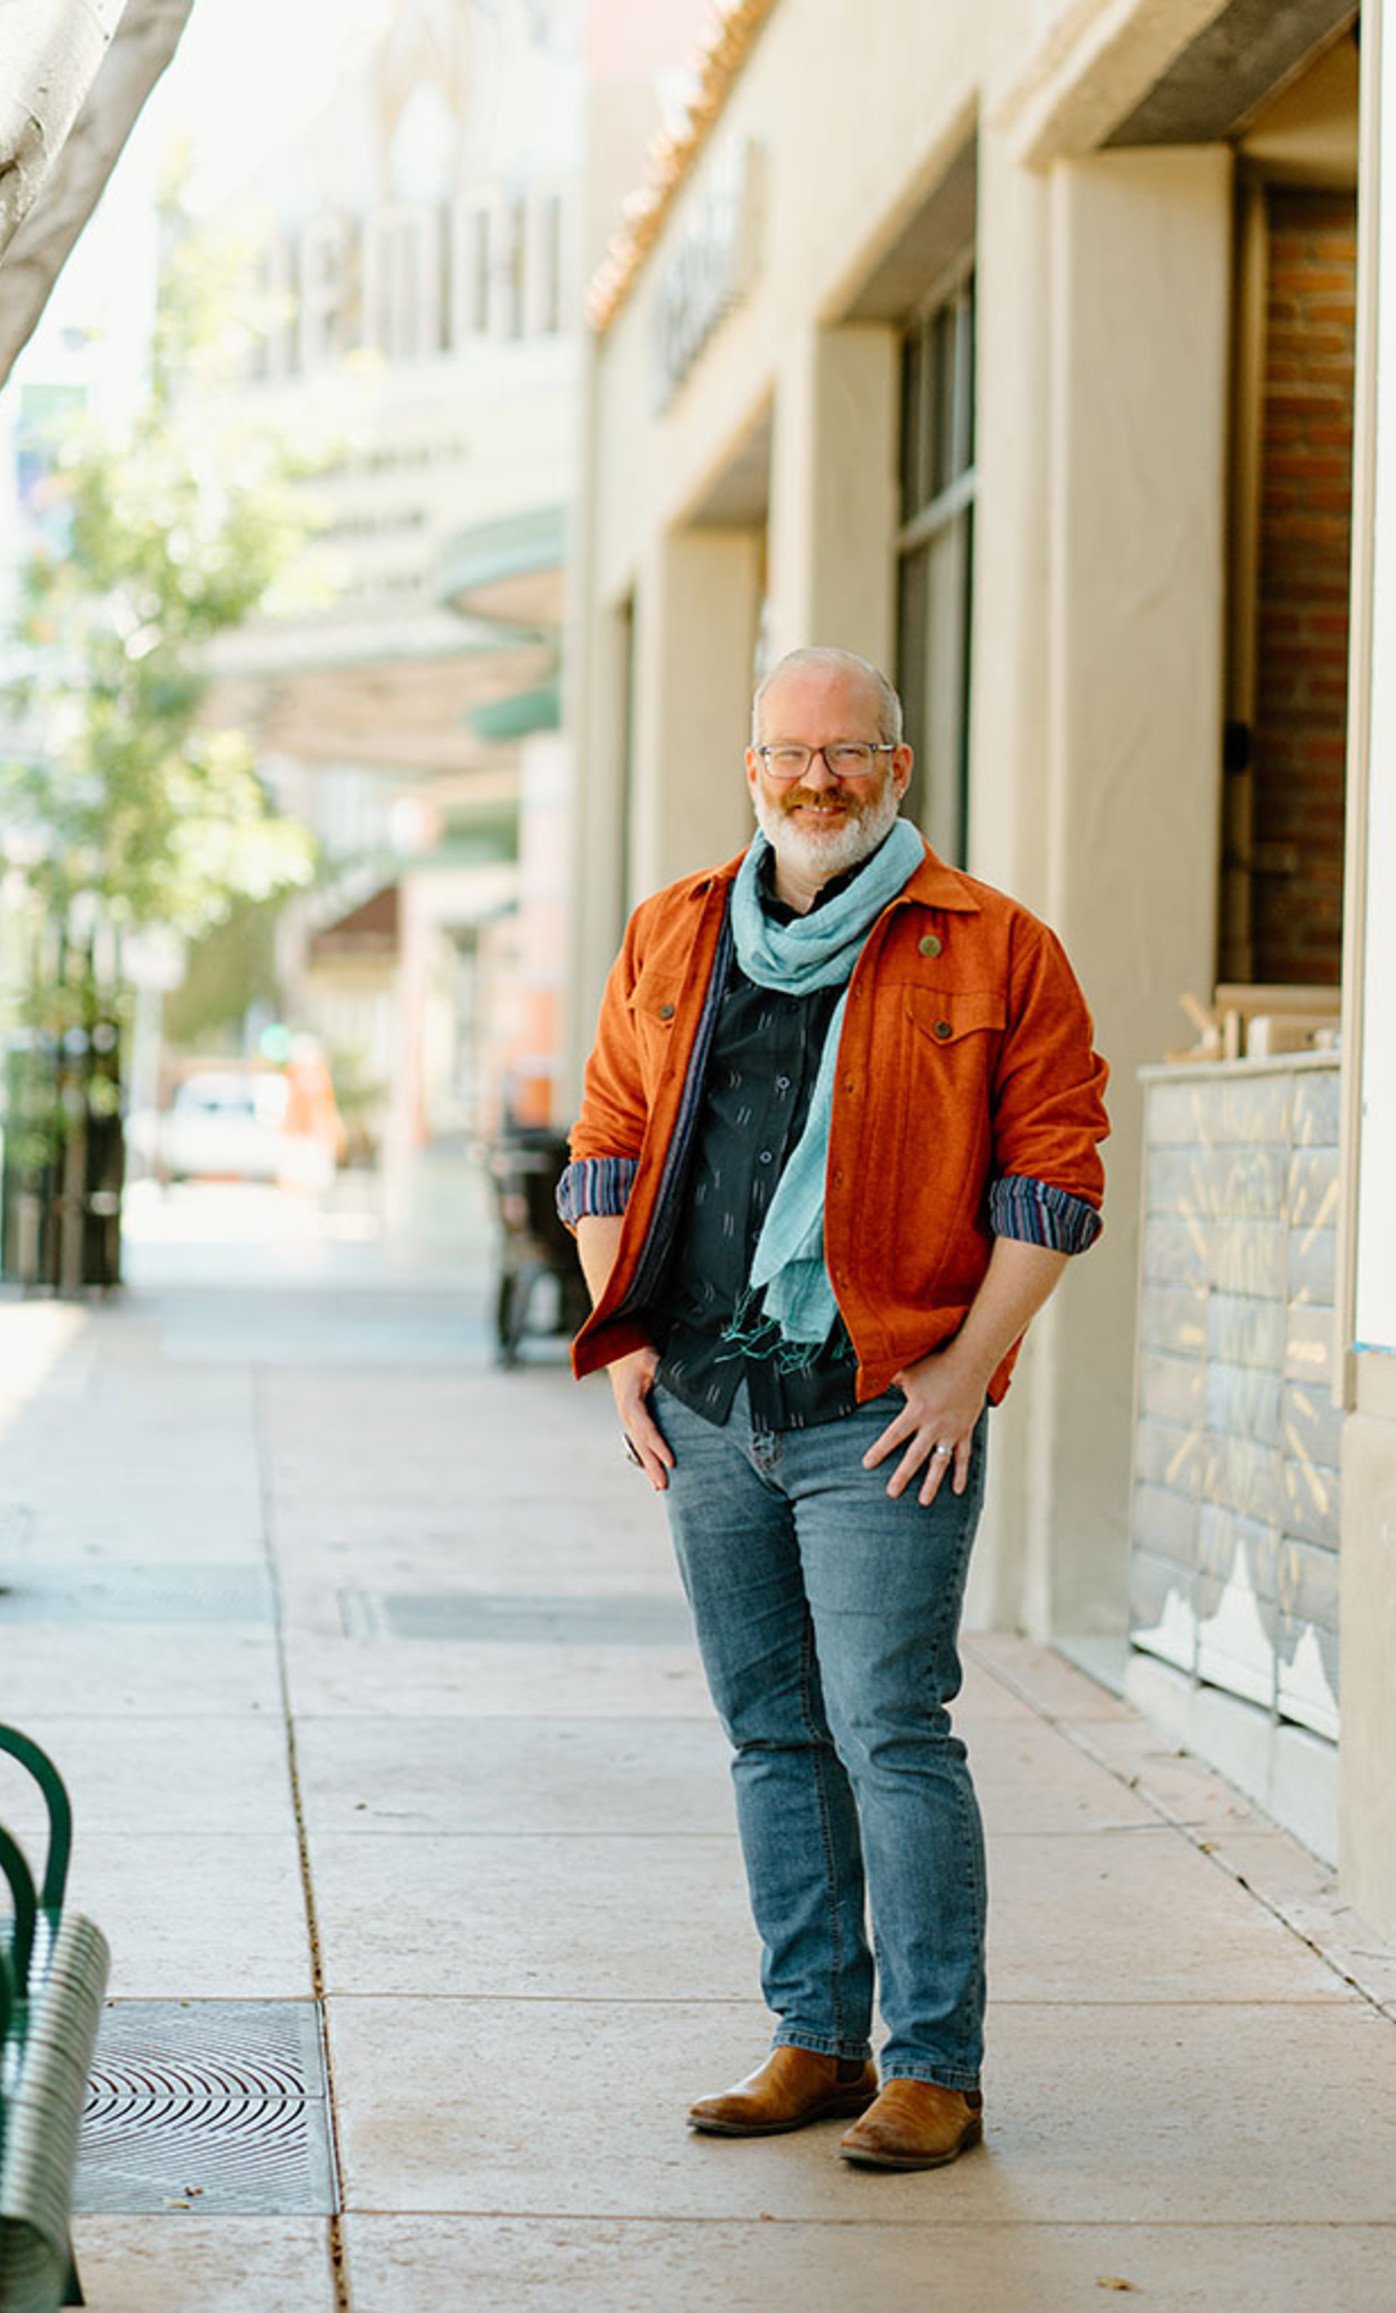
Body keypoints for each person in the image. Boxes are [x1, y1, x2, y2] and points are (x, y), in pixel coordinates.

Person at [558, 646, 1109, 2172]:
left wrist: (964, 1365)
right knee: (769, 1731)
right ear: (751, 769)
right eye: (788, 755)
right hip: (711, 1403)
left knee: (890, 1724)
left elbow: (1053, 1178)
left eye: (847, 753)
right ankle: (816, 2036)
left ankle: (933, 2063)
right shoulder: (675, 931)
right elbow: (604, 1144)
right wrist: (624, 1345)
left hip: (881, 1412)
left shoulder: (999, 949)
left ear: (899, 768)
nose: (815, 779)